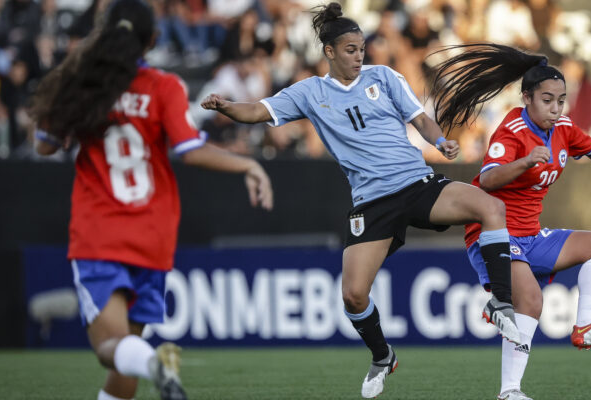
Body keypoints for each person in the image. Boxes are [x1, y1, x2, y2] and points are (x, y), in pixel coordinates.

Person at [199, 3, 520, 398]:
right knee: (353, 294)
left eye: (361, 48)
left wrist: (439, 140)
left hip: (416, 184)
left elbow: (419, 118)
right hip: (372, 202)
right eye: (350, 49)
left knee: (491, 207)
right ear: (329, 51)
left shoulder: (384, 77)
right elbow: (257, 111)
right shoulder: (310, 92)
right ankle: (383, 355)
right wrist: (227, 107)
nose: (358, 55)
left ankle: (501, 304)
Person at [29, 1, 274, 399]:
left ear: (102, 34)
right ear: (153, 40)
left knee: (114, 352)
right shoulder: (165, 87)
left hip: (100, 234)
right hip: (152, 235)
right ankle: (150, 362)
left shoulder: (84, 83)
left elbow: (44, 145)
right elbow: (191, 149)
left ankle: (154, 362)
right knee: (127, 351)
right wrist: (248, 166)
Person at [429, 43, 591, 400]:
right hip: (493, 234)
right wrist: (526, 162)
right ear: (527, 97)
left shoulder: (562, 126)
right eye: (548, 100)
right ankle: (510, 391)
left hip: (530, 234)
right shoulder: (511, 130)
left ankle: (586, 326)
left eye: (561, 100)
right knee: (530, 299)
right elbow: (486, 180)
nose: (556, 108)